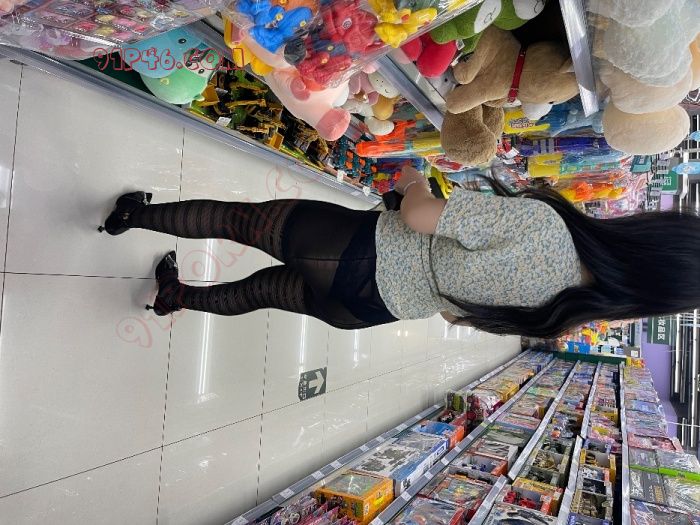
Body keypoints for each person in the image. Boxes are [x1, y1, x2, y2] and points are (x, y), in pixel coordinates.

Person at [100, 166, 700, 338]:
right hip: (371, 308)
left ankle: (133, 216)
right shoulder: (565, 316)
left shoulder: (549, 230)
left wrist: (413, 180)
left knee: (239, 223)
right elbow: (456, 316)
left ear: (649, 235)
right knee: (259, 293)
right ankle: (174, 296)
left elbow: (418, 216)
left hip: (362, 248)